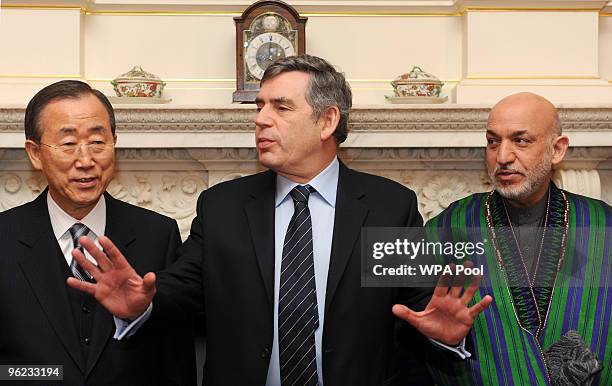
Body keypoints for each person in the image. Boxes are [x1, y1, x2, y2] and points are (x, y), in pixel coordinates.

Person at [69, 55, 491, 385]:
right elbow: (182, 290)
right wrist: (143, 305)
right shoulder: (223, 207)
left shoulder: (387, 205)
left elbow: (421, 305)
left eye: (281, 107)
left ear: (328, 121)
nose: (260, 119)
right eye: (260, 106)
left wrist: (444, 335)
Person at [0, 80, 196, 385]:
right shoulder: (4, 238)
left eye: (97, 142)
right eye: (68, 144)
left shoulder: (158, 234)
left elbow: (175, 363)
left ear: (114, 143)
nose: (86, 160)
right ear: (35, 153)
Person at [425, 92, 611, 385]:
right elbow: (403, 343)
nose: (502, 157)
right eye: (493, 141)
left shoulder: (603, 226)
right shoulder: (447, 227)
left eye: (521, 141)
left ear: (557, 150)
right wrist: (443, 342)